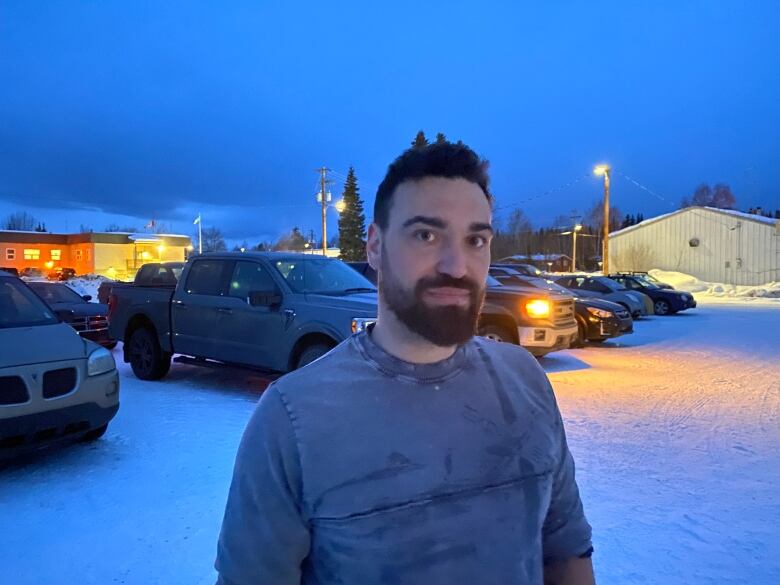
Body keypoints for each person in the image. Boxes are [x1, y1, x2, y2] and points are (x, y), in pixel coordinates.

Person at [215, 142, 594, 585]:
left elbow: (566, 551)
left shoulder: (525, 381)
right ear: (374, 246)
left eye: (476, 240)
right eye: (426, 235)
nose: (457, 266)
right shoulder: (294, 419)